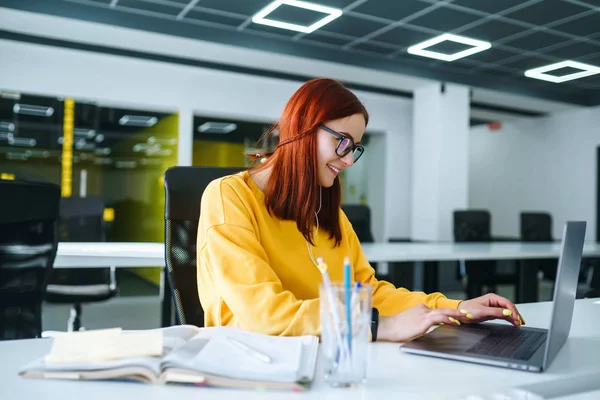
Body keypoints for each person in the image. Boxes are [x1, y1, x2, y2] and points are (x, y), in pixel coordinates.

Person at [196, 78, 524, 342]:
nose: (349, 159)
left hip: (327, 354)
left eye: (354, 147)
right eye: (342, 141)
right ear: (302, 129)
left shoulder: (326, 212)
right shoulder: (229, 197)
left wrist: (456, 308)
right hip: (252, 365)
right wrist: (376, 326)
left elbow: (367, 293)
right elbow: (262, 314)